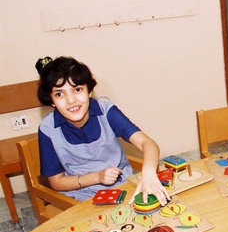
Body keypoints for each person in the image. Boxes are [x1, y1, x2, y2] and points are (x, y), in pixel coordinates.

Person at [36, 56, 170, 206]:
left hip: (122, 188)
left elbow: (147, 143)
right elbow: (56, 182)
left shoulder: (106, 111)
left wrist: (149, 173)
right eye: (59, 94)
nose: (71, 100)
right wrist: (97, 177)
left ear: (89, 91)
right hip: (79, 198)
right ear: (52, 101)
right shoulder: (47, 128)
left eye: (77, 90)